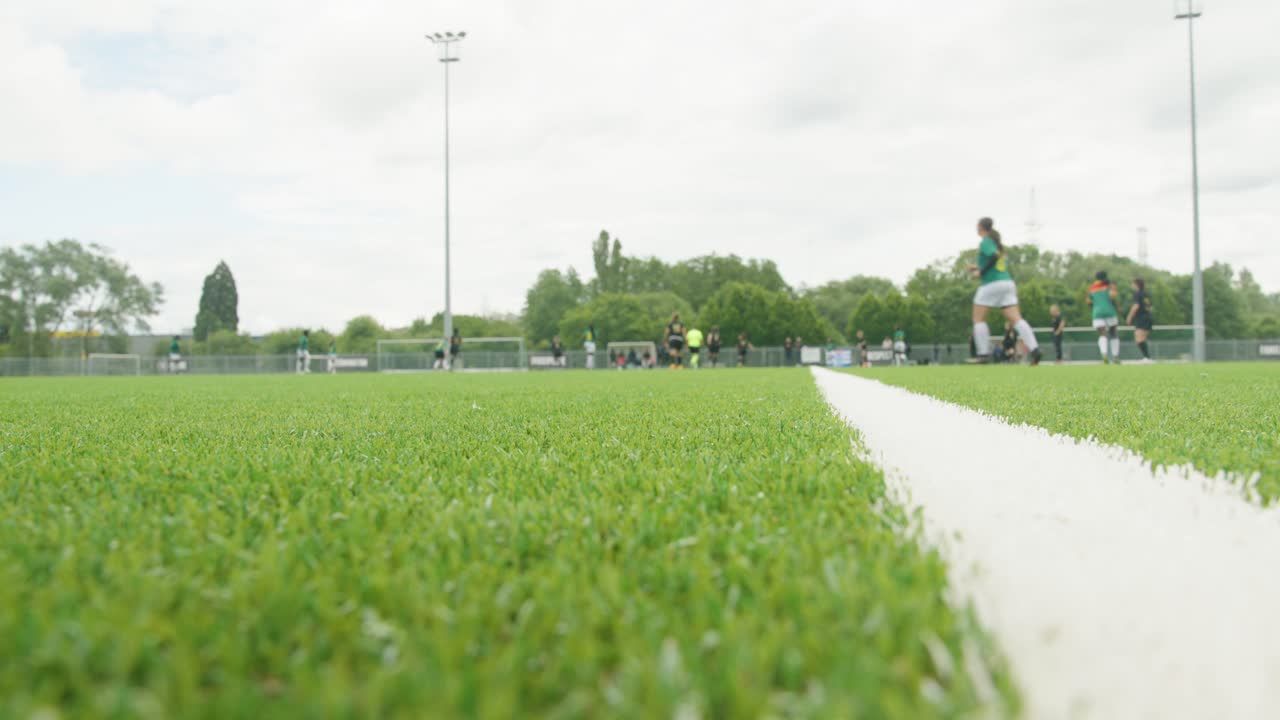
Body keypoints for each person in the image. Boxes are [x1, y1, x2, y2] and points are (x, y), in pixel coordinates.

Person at [968, 217, 1042, 365]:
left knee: (978, 319)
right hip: (1007, 283)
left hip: (991, 284)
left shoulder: (986, 241)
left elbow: (993, 258)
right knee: (1016, 319)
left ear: (981, 227)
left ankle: (983, 355)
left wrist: (981, 272)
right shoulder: (998, 244)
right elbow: (996, 261)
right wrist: (977, 268)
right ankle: (1035, 349)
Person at [1087, 271, 1120, 363]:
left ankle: (1104, 354)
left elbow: (1089, 302)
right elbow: (1113, 298)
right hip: (1110, 312)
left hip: (1097, 313)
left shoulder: (1091, 288)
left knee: (1102, 334)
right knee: (1113, 333)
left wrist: (1097, 306)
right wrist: (1117, 308)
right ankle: (1115, 356)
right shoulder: (1110, 286)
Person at [1127, 278, 1155, 363]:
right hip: (1147, 317)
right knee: (1141, 338)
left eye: (1133, 283)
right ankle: (1147, 357)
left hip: (1142, 318)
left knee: (1139, 338)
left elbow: (1136, 306)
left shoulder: (1138, 294)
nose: (1131, 285)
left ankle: (1147, 358)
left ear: (1136, 284)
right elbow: (1150, 307)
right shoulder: (1146, 294)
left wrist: (1129, 317)